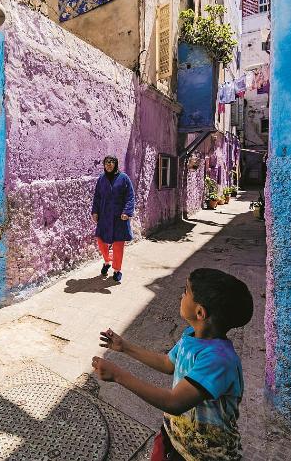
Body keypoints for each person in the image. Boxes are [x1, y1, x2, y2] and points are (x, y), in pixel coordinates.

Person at [91, 268, 254, 461]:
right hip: (174, 435)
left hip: (204, 454)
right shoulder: (190, 336)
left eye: (185, 291)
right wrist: (124, 347)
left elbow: (174, 402)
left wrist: (117, 375)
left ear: (200, 312)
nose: (180, 295)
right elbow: (168, 363)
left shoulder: (219, 360)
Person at [91, 155, 135, 282]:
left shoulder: (124, 178)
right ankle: (107, 261)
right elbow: (97, 196)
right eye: (106, 162)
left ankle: (117, 270)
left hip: (119, 217)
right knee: (101, 240)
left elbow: (130, 196)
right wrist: (95, 212)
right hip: (104, 216)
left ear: (115, 164)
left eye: (111, 162)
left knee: (118, 245)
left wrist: (127, 212)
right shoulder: (101, 179)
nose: (109, 164)